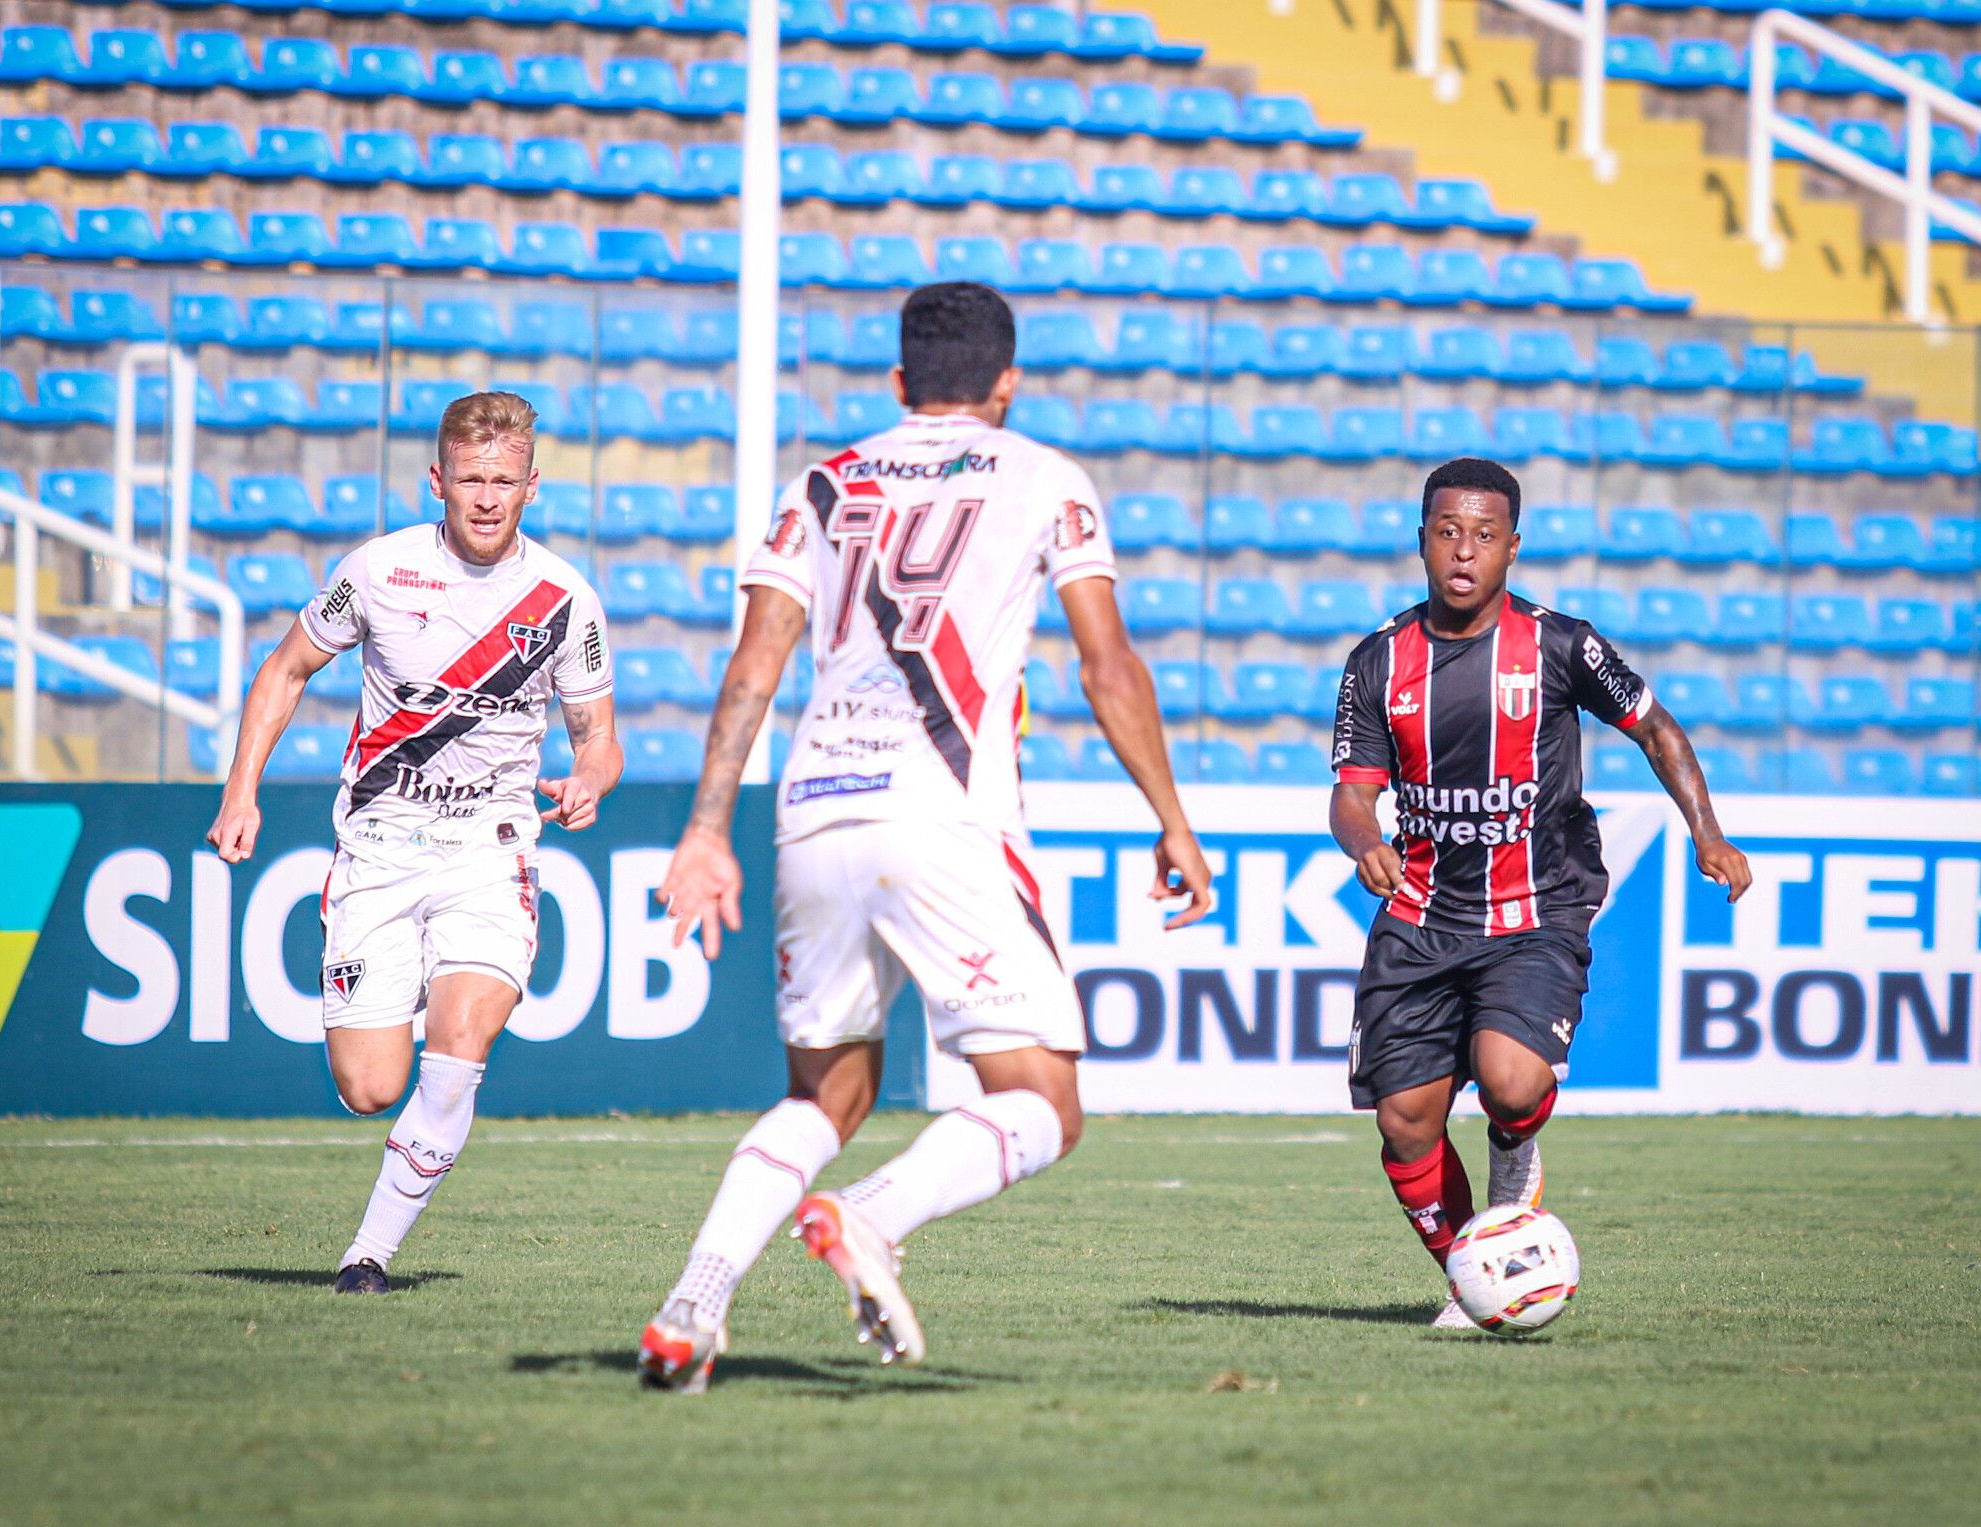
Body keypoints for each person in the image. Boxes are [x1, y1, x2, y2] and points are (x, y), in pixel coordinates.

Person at [638, 281, 1213, 1391]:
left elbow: (752, 666)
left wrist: (708, 827)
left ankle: (689, 1305)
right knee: (1043, 1102)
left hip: (812, 808)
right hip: (941, 809)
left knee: (827, 1095)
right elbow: (1106, 665)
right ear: (1006, 384)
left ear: (899, 383)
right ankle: (872, 1215)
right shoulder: (1044, 475)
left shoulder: (820, 481)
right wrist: (1170, 818)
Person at [206, 391, 621, 1294]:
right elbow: (283, 669)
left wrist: (590, 775)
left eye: (503, 481)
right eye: (469, 478)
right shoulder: (379, 571)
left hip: (491, 847)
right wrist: (243, 790)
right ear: (438, 479)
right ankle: (378, 1199)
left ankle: (367, 1257)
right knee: (369, 1086)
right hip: (381, 849)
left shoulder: (564, 599)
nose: (485, 497)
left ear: (532, 485)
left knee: (460, 1043)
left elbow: (599, 734)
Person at [1328, 457, 1751, 1327]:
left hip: (1534, 908)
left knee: (1511, 1084)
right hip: (1421, 918)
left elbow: (1656, 728)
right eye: (1448, 531)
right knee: (1406, 1124)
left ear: (1512, 548)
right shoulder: (1378, 660)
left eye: (1484, 535)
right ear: (1420, 542)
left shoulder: (1561, 644)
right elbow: (1352, 790)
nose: (1463, 550)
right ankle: (1473, 1276)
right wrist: (1366, 840)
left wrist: (1705, 828)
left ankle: (1514, 1158)